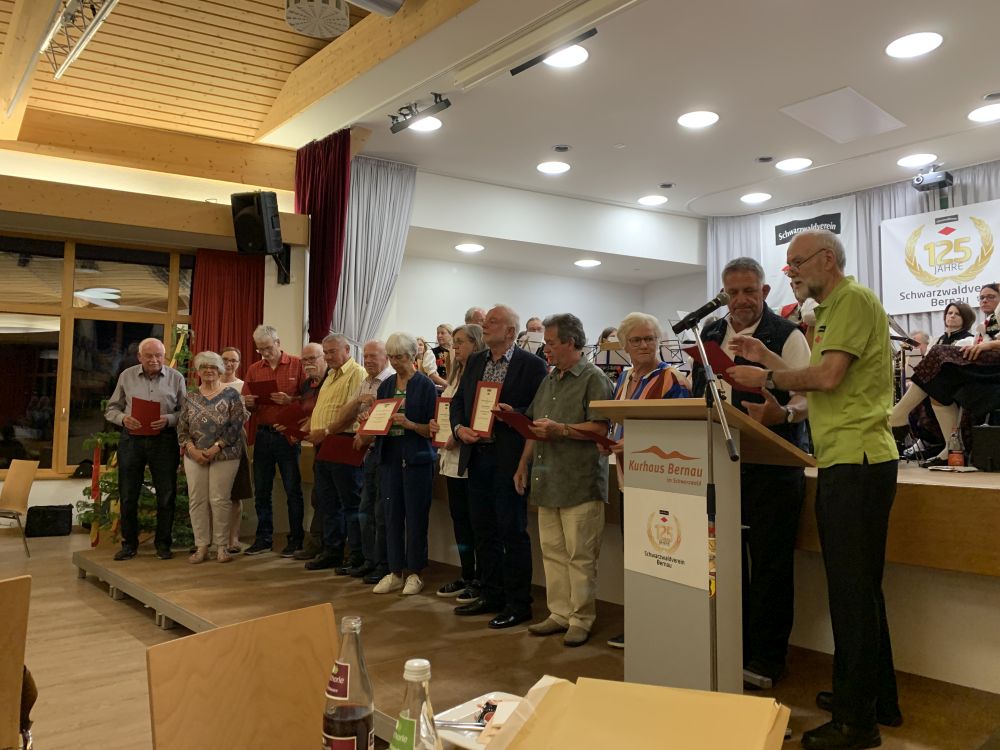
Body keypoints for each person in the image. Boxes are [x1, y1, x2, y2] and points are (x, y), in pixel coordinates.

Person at [728, 229, 901, 750]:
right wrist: (766, 356)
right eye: (788, 266)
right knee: (859, 590)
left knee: (852, 594)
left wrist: (764, 380)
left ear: (827, 259)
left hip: (857, 461)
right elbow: (813, 376)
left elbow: (825, 379)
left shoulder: (851, 300)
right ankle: (874, 698)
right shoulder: (829, 310)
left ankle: (856, 723)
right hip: (844, 460)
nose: (791, 273)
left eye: (796, 263)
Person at [692, 257, 811, 686]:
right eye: (733, 292)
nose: (741, 300)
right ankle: (731, 646)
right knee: (723, 565)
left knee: (770, 567)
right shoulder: (709, 333)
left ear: (764, 291)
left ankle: (766, 659)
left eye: (749, 291)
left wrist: (783, 414)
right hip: (721, 465)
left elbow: (808, 397)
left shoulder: (787, 334)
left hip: (773, 466)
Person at [515, 313, 612, 647]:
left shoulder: (594, 378)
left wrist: (563, 430)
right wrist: (522, 463)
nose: (546, 349)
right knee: (553, 552)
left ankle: (581, 618)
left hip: (580, 482)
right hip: (548, 481)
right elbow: (534, 427)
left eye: (551, 343)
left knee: (580, 557)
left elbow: (601, 427)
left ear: (571, 342)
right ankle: (559, 613)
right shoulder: (549, 379)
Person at [451, 305, 548, 628]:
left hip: (509, 459)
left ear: (510, 331)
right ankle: (491, 594)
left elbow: (538, 412)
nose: (485, 326)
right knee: (483, 530)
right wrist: (458, 429)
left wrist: (513, 413)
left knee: (512, 532)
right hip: (477, 456)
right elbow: (458, 402)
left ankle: (518, 603)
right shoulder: (476, 361)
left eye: (492, 322)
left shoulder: (532, 365)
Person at [604, 311, 691, 648]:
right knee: (636, 557)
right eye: (636, 340)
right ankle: (640, 624)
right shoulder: (625, 377)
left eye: (650, 338)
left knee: (659, 558)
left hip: (659, 481)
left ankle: (661, 627)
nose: (644, 345)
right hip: (628, 479)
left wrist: (636, 443)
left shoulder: (672, 379)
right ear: (624, 345)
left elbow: (679, 433)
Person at [891, 285, 1000, 467]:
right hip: (982, 362)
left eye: (991, 296)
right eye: (982, 297)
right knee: (937, 385)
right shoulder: (989, 322)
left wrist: (986, 346)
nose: (985, 300)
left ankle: (898, 414)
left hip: (994, 363)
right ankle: (952, 447)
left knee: (939, 353)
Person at [364, 333, 437, 595]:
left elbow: (432, 429)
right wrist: (370, 420)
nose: (395, 362)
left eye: (400, 357)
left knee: (416, 517)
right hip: (390, 456)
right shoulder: (386, 385)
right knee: (391, 516)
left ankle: (415, 572)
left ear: (412, 356)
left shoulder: (425, 385)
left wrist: (410, 424)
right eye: (392, 357)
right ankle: (394, 571)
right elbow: (379, 421)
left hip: (417, 458)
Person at [105, 337, 186, 561]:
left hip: (164, 440)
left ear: (164, 356)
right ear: (139, 357)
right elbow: (111, 409)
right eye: (149, 356)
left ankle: (163, 544)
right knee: (128, 495)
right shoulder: (126, 376)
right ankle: (129, 544)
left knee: (166, 495)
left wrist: (169, 419)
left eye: (158, 356)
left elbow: (186, 412)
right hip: (132, 440)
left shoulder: (176, 378)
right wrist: (123, 419)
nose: (154, 360)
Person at [429, 324, 486, 600]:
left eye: (461, 342)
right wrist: (436, 426)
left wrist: (456, 432)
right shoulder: (454, 375)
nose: (455, 347)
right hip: (449, 456)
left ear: (476, 344)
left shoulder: (480, 375)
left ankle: (480, 578)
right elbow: (447, 410)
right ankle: (466, 573)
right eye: (454, 342)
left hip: (469, 455)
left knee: (476, 522)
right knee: (460, 520)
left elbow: (480, 416)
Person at [302, 335, 367, 571]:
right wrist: (310, 425)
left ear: (347, 349)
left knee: (349, 503)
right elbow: (325, 408)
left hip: (343, 441)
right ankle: (332, 551)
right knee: (327, 501)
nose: (328, 357)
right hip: (324, 443)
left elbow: (351, 413)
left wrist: (326, 430)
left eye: (332, 352)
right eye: (326, 352)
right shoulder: (330, 375)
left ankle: (356, 554)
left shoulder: (356, 373)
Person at [242, 325, 306, 556]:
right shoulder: (254, 369)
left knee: (292, 490)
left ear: (278, 343)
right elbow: (247, 402)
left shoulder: (298, 364)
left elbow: (310, 400)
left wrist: (290, 400)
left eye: (268, 348)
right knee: (261, 490)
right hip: (263, 434)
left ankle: (296, 539)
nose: (265, 353)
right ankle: (264, 538)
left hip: (288, 436)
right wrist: (249, 402)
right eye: (260, 350)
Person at [178, 352, 247, 563]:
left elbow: (236, 426)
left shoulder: (232, 395)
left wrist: (216, 448)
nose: (209, 371)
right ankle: (201, 547)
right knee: (197, 500)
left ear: (220, 370)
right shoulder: (190, 397)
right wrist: (192, 450)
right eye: (204, 367)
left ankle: (221, 547)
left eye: (213, 367)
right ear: (198, 371)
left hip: (226, 454)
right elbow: (182, 429)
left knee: (219, 500)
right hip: (194, 456)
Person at [350, 340, 396, 582]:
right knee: (365, 510)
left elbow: (385, 421)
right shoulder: (365, 382)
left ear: (386, 357)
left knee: (380, 513)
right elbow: (359, 414)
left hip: (383, 452)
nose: (367, 360)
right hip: (368, 452)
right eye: (365, 356)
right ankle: (370, 560)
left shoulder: (390, 382)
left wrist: (366, 430)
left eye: (373, 356)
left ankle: (382, 564)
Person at [290, 342, 328, 562]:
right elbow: (305, 412)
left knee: (326, 497)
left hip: (334, 441)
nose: (308, 363)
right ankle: (317, 544)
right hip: (315, 445)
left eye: (313, 358)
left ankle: (326, 546)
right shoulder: (306, 384)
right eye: (305, 360)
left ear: (324, 358)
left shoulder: (331, 380)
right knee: (318, 496)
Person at [220, 346, 248, 553]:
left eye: (233, 360)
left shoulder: (243, 386)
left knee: (234, 493)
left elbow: (245, 415)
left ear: (239, 364)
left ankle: (233, 539)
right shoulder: (210, 384)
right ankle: (214, 538)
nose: (229, 364)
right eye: (225, 359)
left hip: (236, 441)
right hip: (210, 442)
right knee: (213, 494)